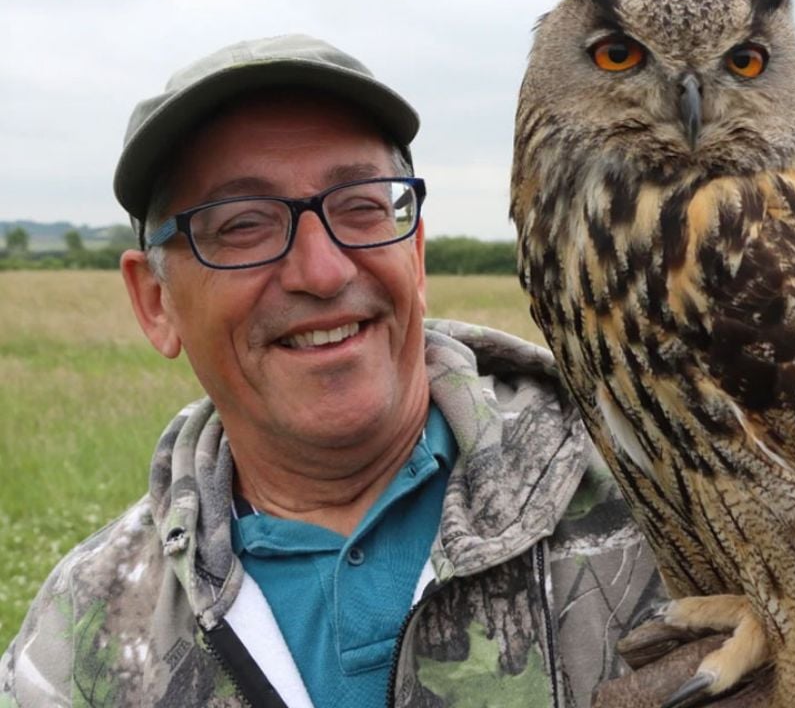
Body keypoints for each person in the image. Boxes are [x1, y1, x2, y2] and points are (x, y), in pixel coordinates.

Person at [0, 35, 672, 707]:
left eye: (361, 207)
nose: (323, 272)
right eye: (243, 225)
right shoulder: (78, 644)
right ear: (155, 302)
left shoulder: (667, 503)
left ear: (415, 253)